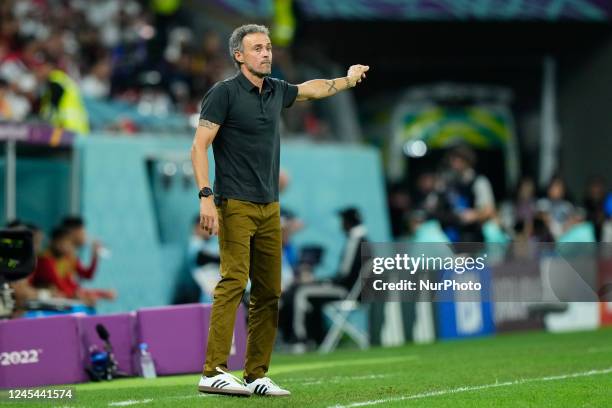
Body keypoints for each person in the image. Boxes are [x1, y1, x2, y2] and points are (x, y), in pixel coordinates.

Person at [191, 23, 369, 397]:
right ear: (239, 55)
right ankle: (213, 370)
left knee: (271, 291)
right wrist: (206, 197)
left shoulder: (275, 90)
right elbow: (199, 146)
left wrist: (348, 80)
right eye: (257, 48)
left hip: (270, 206)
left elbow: (312, 88)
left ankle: (256, 375)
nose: (266, 53)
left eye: (268, 47)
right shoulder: (222, 94)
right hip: (234, 203)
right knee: (233, 282)